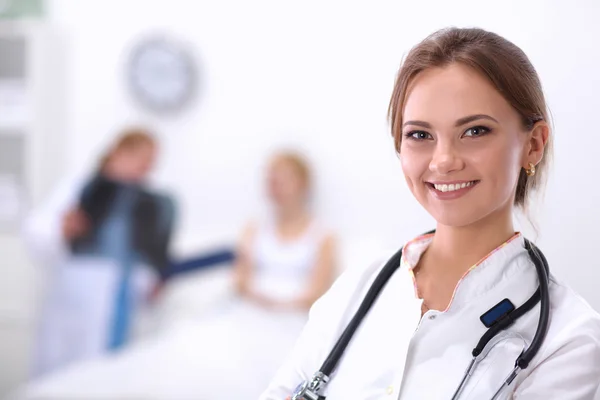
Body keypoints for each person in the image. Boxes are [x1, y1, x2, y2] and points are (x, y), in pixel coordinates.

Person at [260, 28, 600, 400]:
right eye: (420, 135)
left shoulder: (567, 340)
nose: (443, 161)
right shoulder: (354, 292)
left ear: (532, 145)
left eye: (475, 130)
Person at [13, 150, 335, 400]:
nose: (274, 186)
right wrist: (256, 296)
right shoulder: (255, 229)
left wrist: (278, 303)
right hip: (248, 311)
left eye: (281, 179)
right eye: (270, 178)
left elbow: (319, 292)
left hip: (290, 321)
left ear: (302, 184)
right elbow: (242, 280)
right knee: (187, 355)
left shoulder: (323, 236)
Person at [23, 128, 175, 378]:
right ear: (119, 152)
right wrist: (62, 229)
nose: (147, 169)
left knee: (112, 378)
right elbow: (36, 233)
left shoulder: (151, 204)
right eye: (143, 160)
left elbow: (146, 264)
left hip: (123, 308)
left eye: (152, 163)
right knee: (68, 380)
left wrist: (154, 284)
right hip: (77, 304)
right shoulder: (80, 186)